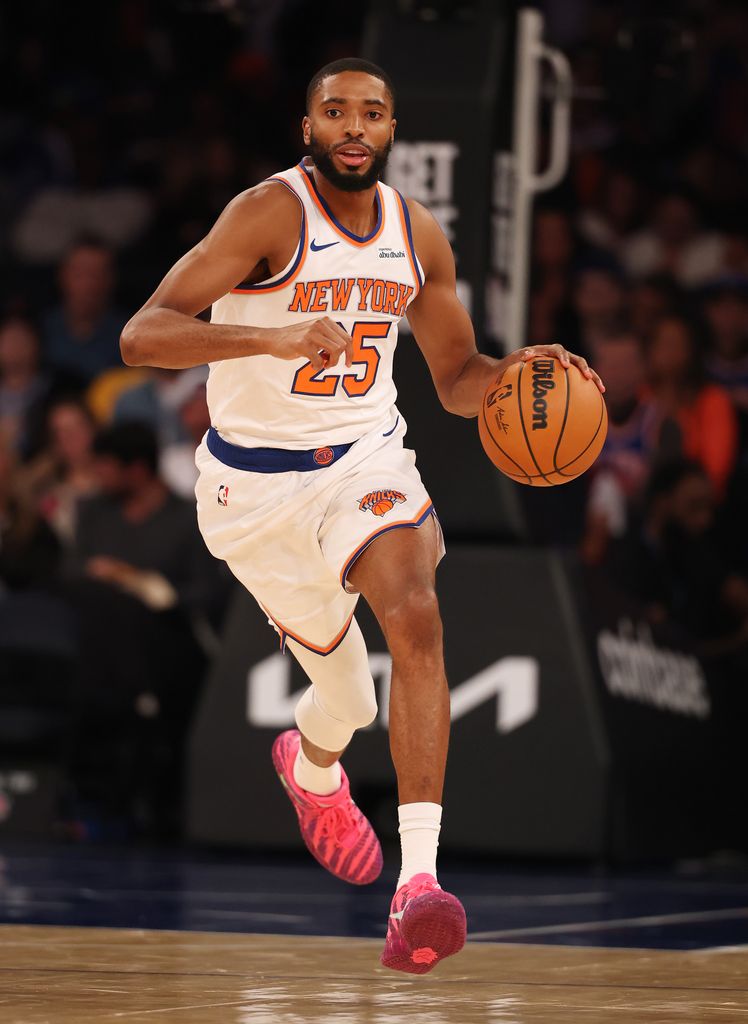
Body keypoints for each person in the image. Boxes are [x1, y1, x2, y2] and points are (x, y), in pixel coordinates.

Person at [121, 57, 604, 973]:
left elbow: (459, 381)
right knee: (344, 695)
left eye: (371, 113)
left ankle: (417, 887)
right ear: (308, 128)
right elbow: (142, 334)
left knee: (416, 614)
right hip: (254, 493)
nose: (353, 125)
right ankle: (310, 772)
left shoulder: (417, 234)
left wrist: (518, 374)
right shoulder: (267, 214)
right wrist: (270, 333)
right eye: (334, 111)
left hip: (365, 459)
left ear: (391, 130)